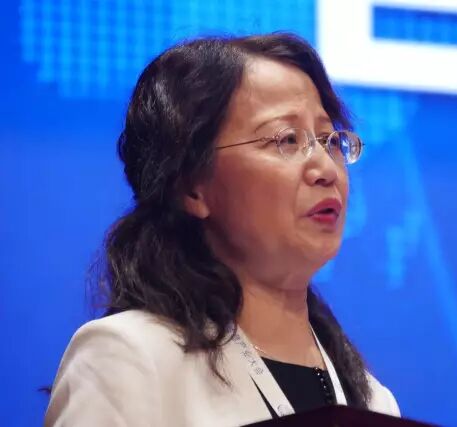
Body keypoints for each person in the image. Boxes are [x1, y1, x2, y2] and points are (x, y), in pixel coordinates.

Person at [44, 33, 400, 426]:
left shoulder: (373, 401)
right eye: (286, 139)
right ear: (192, 185)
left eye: (330, 140)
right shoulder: (129, 358)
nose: (326, 169)